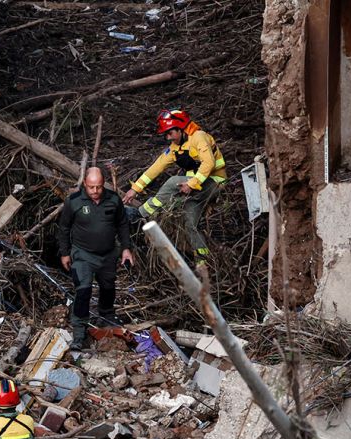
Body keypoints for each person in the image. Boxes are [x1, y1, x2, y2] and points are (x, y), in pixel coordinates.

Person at [122, 109, 227, 265]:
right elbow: (156, 168)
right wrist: (135, 189)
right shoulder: (174, 148)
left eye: (170, 133)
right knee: (190, 223)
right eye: (166, 134)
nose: (167, 137)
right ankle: (203, 262)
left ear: (180, 128)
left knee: (172, 182)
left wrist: (191, 184)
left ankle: (140, 214)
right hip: (198, 188)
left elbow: (209, 163)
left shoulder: (199, 137)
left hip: (215, 182)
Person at [58, 167, 134, 350]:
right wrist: (65, 253)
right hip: (82, 254)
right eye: (91, 187)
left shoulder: (114, 200)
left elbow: (123, 225)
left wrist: (126, 249)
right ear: (85, 184)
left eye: (98, 187)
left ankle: (107, 316)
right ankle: (79, 331)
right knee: (83, 289)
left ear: (103, 184)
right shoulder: (74, 201)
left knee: (108, 286)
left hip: (108, 254)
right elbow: (63, 228)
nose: (95, 191)